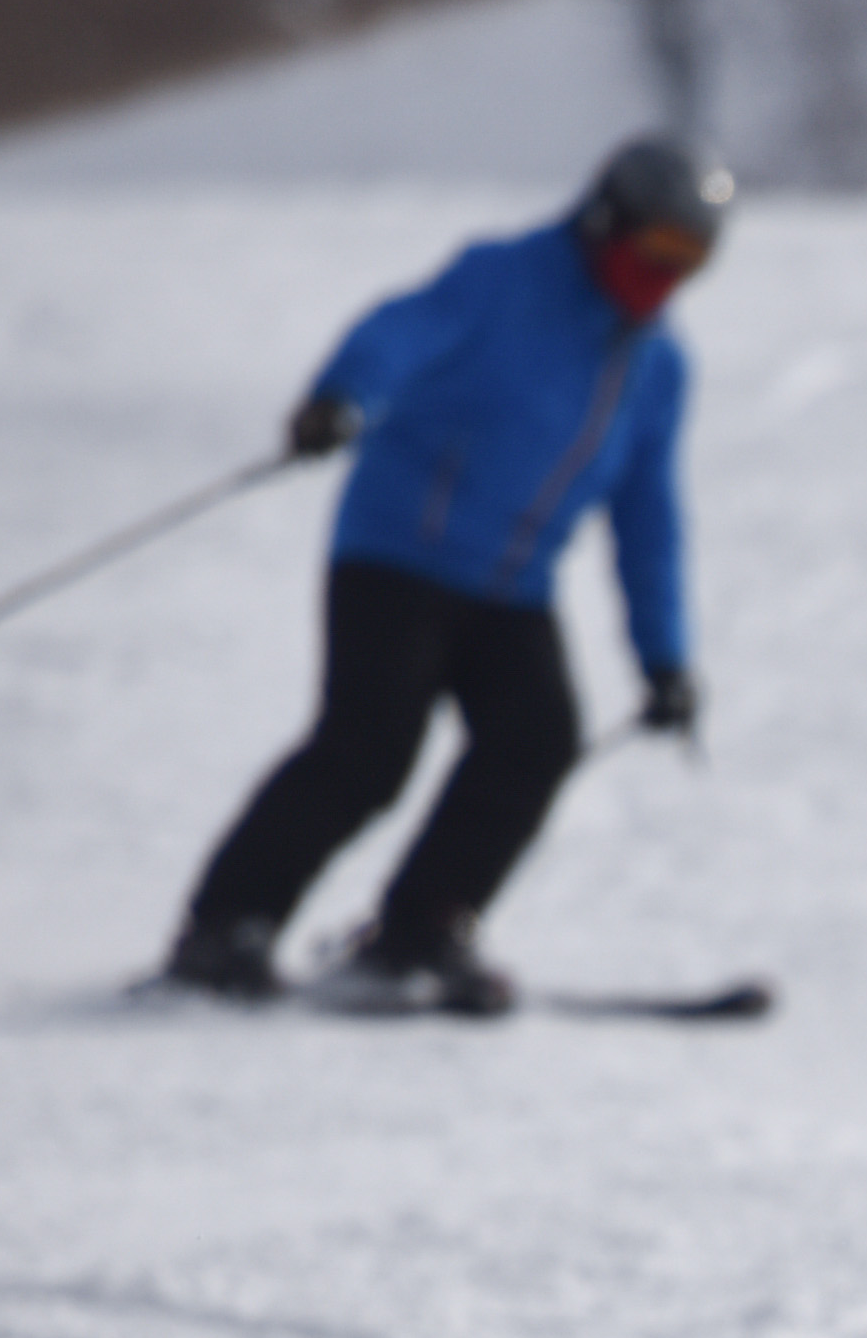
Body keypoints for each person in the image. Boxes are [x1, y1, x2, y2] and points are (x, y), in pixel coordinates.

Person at [150, 138, 726, 1016]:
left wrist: (665, 659)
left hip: (513, 587)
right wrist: (343, 395)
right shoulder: (503, 278)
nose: (664, 279)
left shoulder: (657, 366)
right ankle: (228, 925)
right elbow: (398, 331)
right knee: (370, 748)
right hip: (396, 556)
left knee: (536, 740)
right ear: (607, 220)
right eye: (655, 251)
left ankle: (423, 928)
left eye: (689, 262)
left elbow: (648, 519)